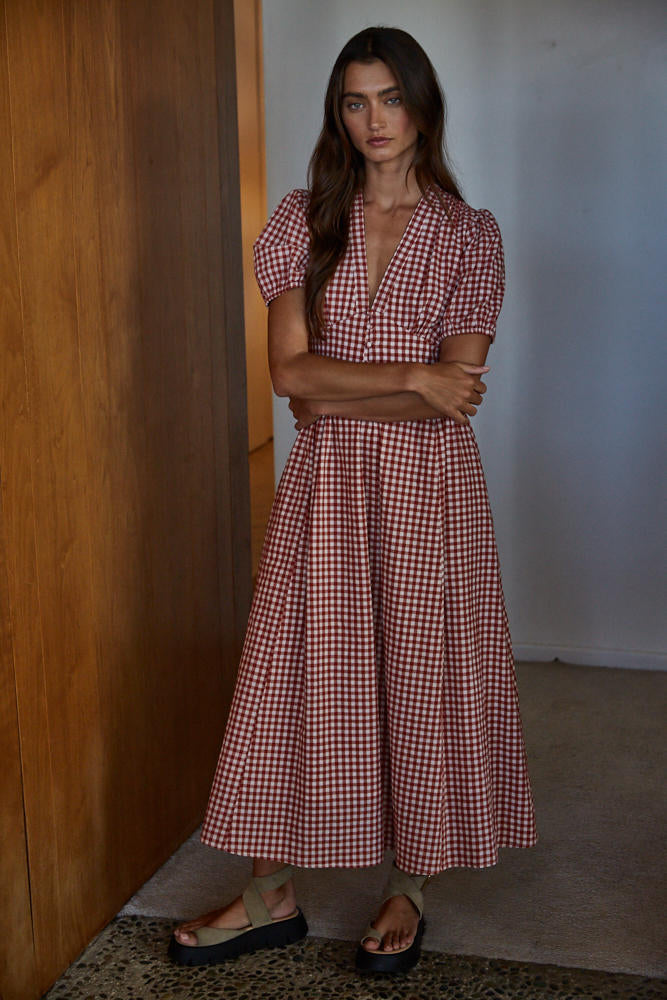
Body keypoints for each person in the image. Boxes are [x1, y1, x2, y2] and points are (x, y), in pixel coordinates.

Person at [169, 25, 538, 975]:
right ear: (338, 112)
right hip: (326, 486)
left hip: (428, 494)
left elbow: (458, 390)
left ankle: (412, 883)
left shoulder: (470, 234)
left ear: (423, 106)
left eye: (391, 98)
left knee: (420, 678)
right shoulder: (303, 218)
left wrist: (397, 385)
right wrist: (411, 376)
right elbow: (290, 375)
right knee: (298, 680)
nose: (374, 119)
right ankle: (269, 890)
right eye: (353, 101)